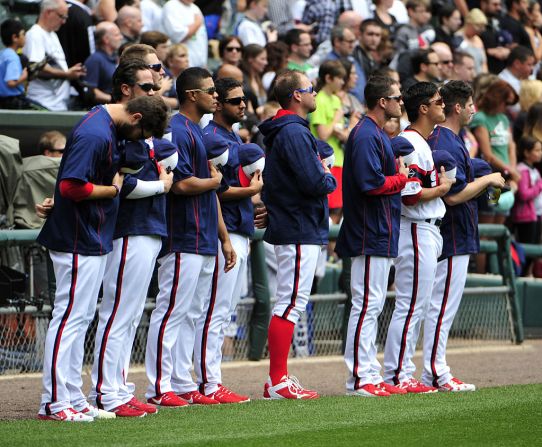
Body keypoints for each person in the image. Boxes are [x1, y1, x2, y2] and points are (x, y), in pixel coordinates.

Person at [36, 95, 169, 422]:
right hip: (76, 235)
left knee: (79, 319)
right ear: (136, 117)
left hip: (90, 234)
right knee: (69, 318)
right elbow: (71, 187)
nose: (138, 141)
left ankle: (71, 396)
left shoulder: (105, 126)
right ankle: (53, 402)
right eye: (142, 133)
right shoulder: (96, 131)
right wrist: (111, 190)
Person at [87, 60, 175, 418]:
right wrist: (162, 185)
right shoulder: (122, 131)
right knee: (117, 313)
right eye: (147, 87)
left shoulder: (145, 130)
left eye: (155, 87)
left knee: (130, 313)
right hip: (128, 229)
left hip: (148, 227)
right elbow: (122, 186)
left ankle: (119, 388)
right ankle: (107, 392)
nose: (154, 92)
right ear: (126, 89)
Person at [145, 67, 236, 406]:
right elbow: (180, 184)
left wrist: (223, 238)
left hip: (202, 235)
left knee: (189, 313)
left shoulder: (195, 130)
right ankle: (158, 385)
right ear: (192, 95)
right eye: (210, 90)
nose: (217, 95)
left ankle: (182, 381)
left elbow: (209, 190)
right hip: (181, 234)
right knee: (171, 311)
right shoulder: (177, 129)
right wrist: (214, 182)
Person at [259, 69, 336, 399]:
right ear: (297, 96)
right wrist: (328, 175)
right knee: (290, 303)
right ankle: (277, 379)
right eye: (311, 89)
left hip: (297, 224)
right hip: (298, 226)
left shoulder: (292, 130)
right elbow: (315, 182)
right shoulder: (292, 131)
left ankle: (279, 377)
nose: (315, 93)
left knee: (290, 302)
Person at [425, 81, 506, 391]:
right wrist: (487, 178)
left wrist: (482, 172)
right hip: (452, 233)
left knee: (440, 306)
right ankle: (436, 372)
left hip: (454, 232)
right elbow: (454, 196)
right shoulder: (445, 138)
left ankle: (433, 371)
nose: (474, 109)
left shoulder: (450, 138)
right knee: (441, 306)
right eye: (470, 104)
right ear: (457, 107)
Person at [336, 76, 409, 397]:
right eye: (396, 97)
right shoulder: (366, 134)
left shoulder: (376, 133)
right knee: (366, 305)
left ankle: (368, 373)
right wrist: (401, 178)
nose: (400, 102)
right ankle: (359, 378)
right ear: (382, 101)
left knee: (372, 304)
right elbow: (371, 183)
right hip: (368, 230)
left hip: (379, 230)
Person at [383, 82, 455, 392]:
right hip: (415, 228)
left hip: (426, 228)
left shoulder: (420, 142)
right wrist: (441, 189)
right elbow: (409, 196)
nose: (443, 105)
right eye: (438, 101)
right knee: (410, 305)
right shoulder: (409, 142)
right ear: (423, 108)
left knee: (417, 305)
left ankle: (401, 372)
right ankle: (397, 374)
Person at [194, 77, 263, 403]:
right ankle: (207, 383)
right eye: (235, 101)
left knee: (222, 310)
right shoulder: (210, 136)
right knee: (214, 310)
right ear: (217, 103)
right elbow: (216, 190)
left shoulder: (233, 136)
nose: (242, 106)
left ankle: (207, 381)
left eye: (243, 100)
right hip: (223, 232)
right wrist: (250, 193)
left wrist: (253, 204)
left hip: (239, 227)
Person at [23, 0, 86, 111]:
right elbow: (37, 68)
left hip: (58, 105)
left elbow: (54, 66)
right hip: (42, 105)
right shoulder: (35, 34)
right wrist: (67, 74)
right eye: (62, 16)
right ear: (48, 12)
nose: (64, 22)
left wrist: (71, 71)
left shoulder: (52, 34)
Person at [310, 60, 349, 224]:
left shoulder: (335, 100)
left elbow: (342, 133)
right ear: (328, 78)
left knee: (339, 209)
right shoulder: (319, 100)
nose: (342, 82)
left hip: (340, 159)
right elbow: (323, 134)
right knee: (331, 209)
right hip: (325, 161)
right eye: (339, 78)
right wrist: (336, 119)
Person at [13, 131, 65, 230]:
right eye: (62, 151)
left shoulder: (21, 169)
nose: (67, 155)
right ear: (47, 153)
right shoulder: (22, 171)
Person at [511, 136, 542, 248]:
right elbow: (524, 194)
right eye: (537, 150)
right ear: (527, 152)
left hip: (536, 215)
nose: (540, 153)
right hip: (526, 216)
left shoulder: (534, 170)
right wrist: (539, 186)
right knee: (527, 250)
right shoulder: (522, 170)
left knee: (535, 250)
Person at [84, 22, 123, 104]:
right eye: (117, 35)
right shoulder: (95, 59)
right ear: (106, 39)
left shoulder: (114, 58)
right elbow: (91, 91)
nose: (121, 37)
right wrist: (116, 101)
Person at [162, 0, 207, 68]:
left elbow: (202, 39)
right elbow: (178, 36)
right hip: (182, 67)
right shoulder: (171, 5)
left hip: (199, 65)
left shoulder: (195, 8)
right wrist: (197, 23)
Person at [0, 19, 31, 109]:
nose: (25, 37)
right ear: (15, 38)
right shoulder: (13, 57)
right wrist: (25, 75)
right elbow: (11, 82)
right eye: (23, 34)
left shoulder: (3, 54)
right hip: (13, 101)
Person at [458, 8, 489, 75]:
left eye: (482, 27)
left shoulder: (478, 39)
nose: (480, 30)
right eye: (478, 26)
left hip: (480, 79)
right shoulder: (458, 38)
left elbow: (484, 63)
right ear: (469, 23)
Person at [240, 44, 268, 116]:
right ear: (250, 59)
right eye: (262, 59)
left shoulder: (259, 79)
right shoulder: (242, 80)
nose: (266, 63)